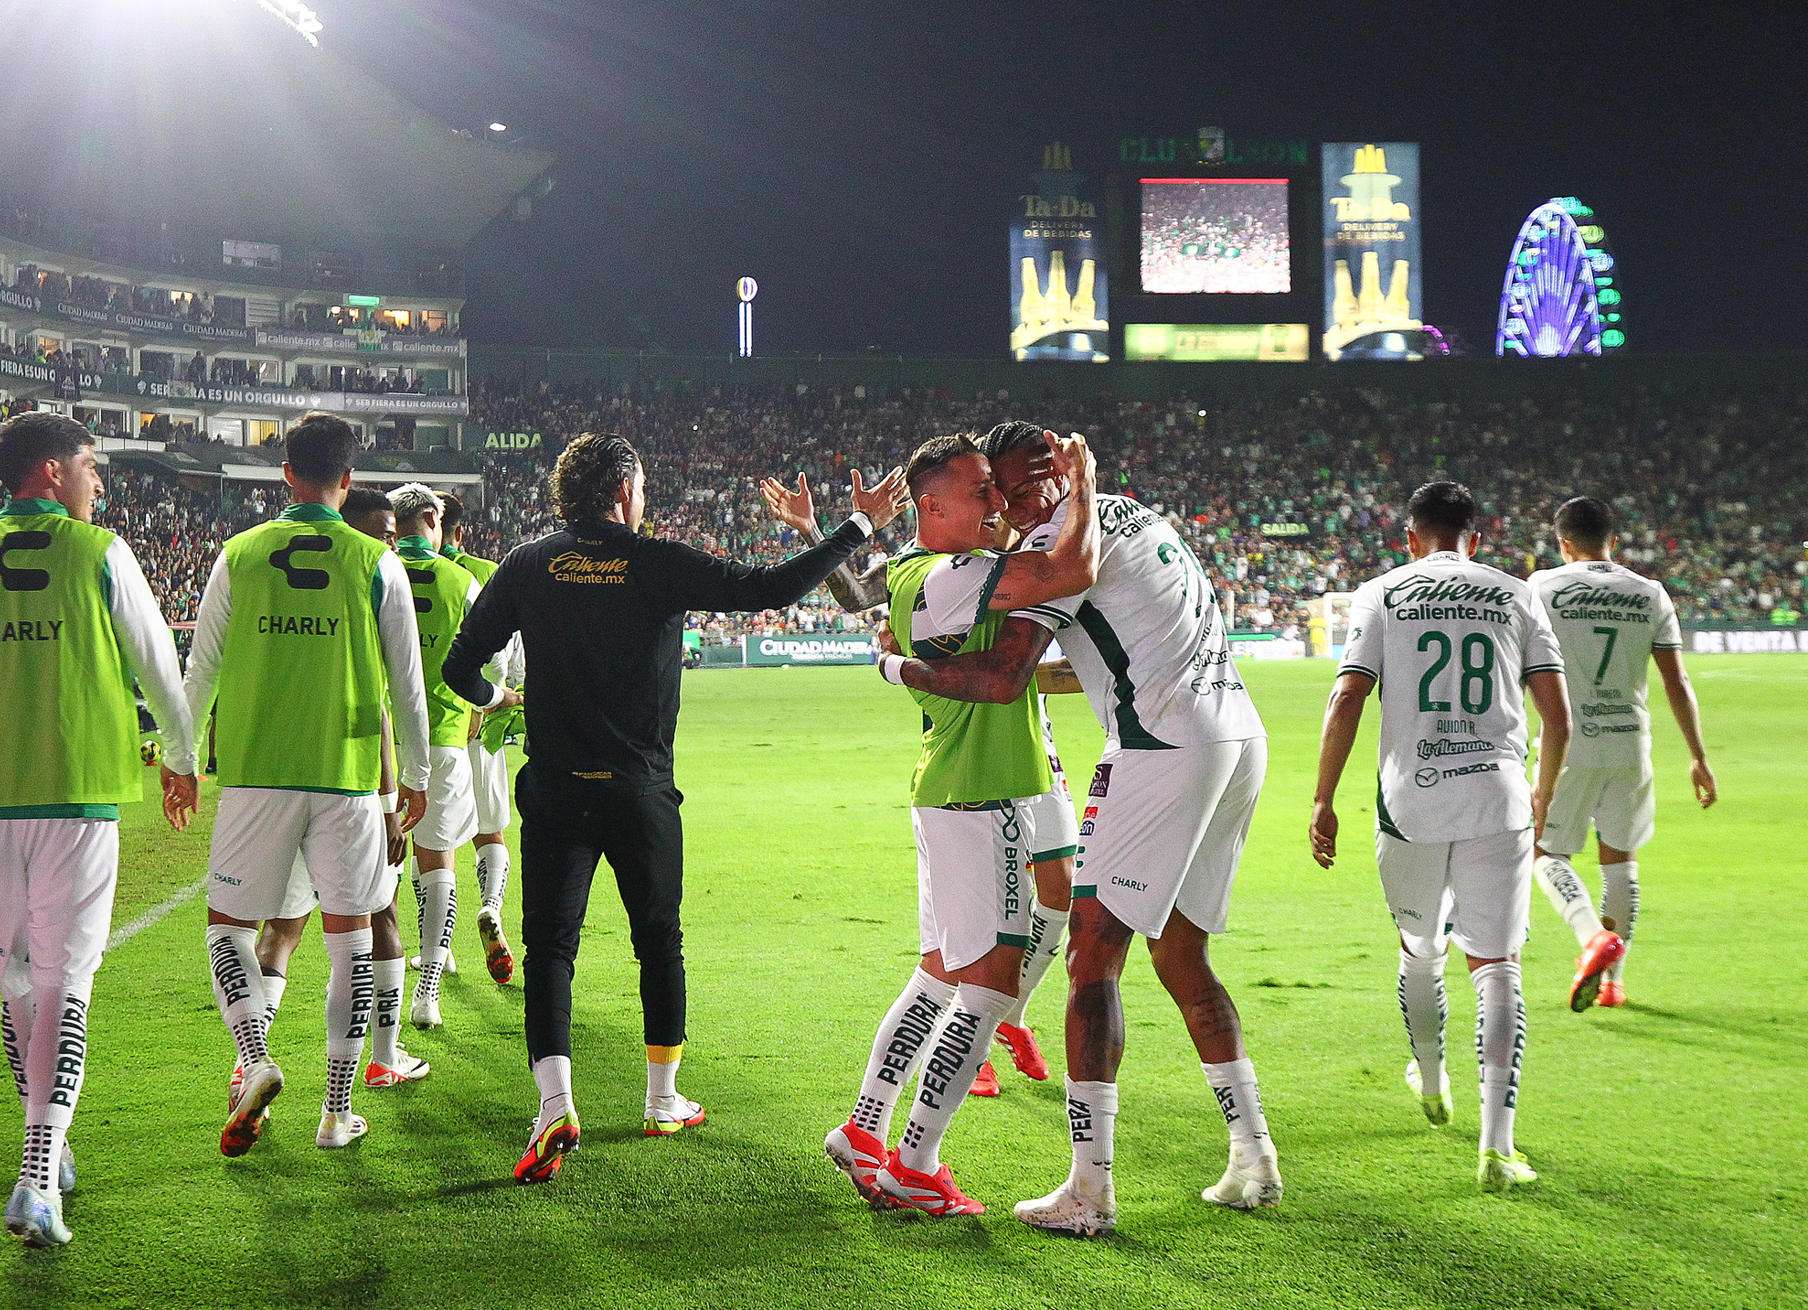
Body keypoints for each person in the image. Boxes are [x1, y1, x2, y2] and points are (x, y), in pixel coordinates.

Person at [440, 432, 906, 1185]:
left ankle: (554, 1105)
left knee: (551, 950)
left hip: (555, 786)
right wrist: (856, 526)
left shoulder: (529, 563)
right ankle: (662, 1100)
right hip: (638, 791)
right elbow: (770, 590)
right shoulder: (653, 562)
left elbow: (459, 666)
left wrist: (502, 697)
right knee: (658, 942)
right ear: (625, 491)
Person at [863, 422, 1281, 1235]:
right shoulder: (1135, 513)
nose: (1016, 504)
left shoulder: (1062, 536)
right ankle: (1252, 1154)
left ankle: (1089, 1190)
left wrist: (897, 664)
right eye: (1004, 491)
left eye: (1022, 485)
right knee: (1183, 954)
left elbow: (1004, 674)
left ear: (1060, 476)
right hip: (1240, 735)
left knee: (1092, 959)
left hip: (1161, 747)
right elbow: (1086, 657)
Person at [0, 413, 197, 1247]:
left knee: (20, 980)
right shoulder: (101, 554)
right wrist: (180, 754)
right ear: (55, 472)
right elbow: (158, 665)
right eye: (92, 468)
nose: (99, 484)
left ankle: (49, 1151)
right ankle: (35, 1173)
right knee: (67, 982)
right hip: (78, 789)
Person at [827, 431, 1099, 1217]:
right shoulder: (948, 577)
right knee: (988, 985)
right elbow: (1068, 569)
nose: (996, 503)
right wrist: (1082, 486)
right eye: (980, 491)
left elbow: (1009, 657)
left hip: (953, 793)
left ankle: (865, 1125)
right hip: (982, 797)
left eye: (994, 487)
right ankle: (916, 1165)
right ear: (931, 508)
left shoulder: (935, 577)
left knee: (939, 972)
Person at [181, 413, 435, 1158]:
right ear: (347, 481)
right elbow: (408, 684)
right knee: (350, 943)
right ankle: (335, 1111)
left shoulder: (239, 554)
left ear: (285, 474)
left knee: (228, 928)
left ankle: (256, 1057)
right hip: (349, 777)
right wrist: (413, 779)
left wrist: (180, 756)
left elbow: (202, 667)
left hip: (258, 772)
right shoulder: (375, 562)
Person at [1309, 480, 1571, 1192]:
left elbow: (1347, 697)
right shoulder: (1517, 594)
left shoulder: (1384, 592)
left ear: (1410, 538)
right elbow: (1557, 714)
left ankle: (1429, 1078)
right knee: (1497, 964)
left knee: (1419, 951)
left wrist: (1324, 798)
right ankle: (1497, 1148)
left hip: (1410, 805)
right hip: (1497, 799)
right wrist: (1541, 795)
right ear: (1475, 539)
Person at [228, 487, 432, 1116]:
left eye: (394, 533)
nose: (390, 542)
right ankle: (372, 1070)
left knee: (278, 933)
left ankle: (249, 1063)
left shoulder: (272, 571)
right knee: (374, 927)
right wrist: (394, 792)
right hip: (352, 790)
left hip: (275, 780)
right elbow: (388, 705)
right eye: (383, 532)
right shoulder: (369, 576)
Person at [1528, 496, 1717, 1009]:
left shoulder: (1542, 587)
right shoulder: (1650, 593)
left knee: (1544, 852)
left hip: (1567, 742)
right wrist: (1698, 756)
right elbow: (1676, 682)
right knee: (1620, 859)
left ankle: (1593, 936)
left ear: (1563, 543)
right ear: (1614, 540)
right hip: (1631, 743)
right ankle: (1614, 983)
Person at [386, 483, 485, 1030]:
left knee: (386, 869)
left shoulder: (377, 568)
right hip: (443, 737)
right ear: (429, 518)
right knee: (439, 857)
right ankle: (428, 990)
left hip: (378, 743)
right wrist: (489, 700)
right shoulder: (460, 581)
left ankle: (391, 992)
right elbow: (496, 654)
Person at [439, 491, 518, 985]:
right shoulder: (489, 572)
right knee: (490, 830)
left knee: (429, 842)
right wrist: (491, 702)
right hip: (482, 721)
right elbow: (510, 651)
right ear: (460, 532)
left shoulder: (396, 566)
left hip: (424, 727)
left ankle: (438, 948)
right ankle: (490, 906)